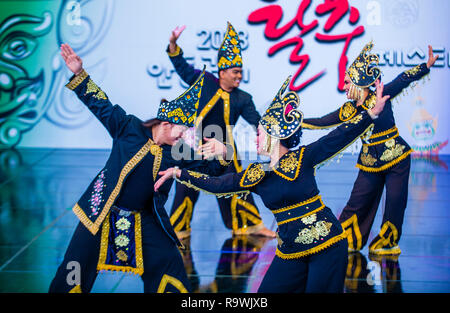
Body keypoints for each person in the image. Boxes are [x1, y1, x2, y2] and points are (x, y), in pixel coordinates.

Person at [155, 75, 389, 292]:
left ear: (273, 134)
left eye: (259, 133)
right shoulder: (257, 174)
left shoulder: (303, 158)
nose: (255, 138)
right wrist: (179, 173)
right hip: (290, 250)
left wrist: (371, 114)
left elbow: (339, 136)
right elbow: (218, 184)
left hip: (326, 244)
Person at [49, 44, 227, 293]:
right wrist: (80, 75)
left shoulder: (177, 152)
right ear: (166, 123)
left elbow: (209, 170)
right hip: (101, 212)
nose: (185, 136)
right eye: (182, 130)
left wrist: (223, 154)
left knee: (169, 264)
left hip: (144, 218)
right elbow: (101, 106)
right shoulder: (128, 127)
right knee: (74, 269)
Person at [302, 43, 438, 255]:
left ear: (358, 82)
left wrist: (426, 66)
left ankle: (388, 243)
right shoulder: (348, 109)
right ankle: (347, 240)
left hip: (396, 158)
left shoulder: (380, 95)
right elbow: (322, 121)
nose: (344, 86)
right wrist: (295, 122)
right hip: (369, 162)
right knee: (357, 200)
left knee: (394, 201)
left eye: (347, 82)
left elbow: (403, 79)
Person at [166, 23, 275, 239]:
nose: (239, 76)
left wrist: (270, 145)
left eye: (241, 72)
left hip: (224, 152)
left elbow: (257, 123)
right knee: (186, 187)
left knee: (236, 187)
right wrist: (173, 44)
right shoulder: (203, 81)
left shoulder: (243, 98)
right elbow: (182, 68)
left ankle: (252, 226)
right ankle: (178, 229)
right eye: (235, 72)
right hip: (195, 147)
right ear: (222, 71)